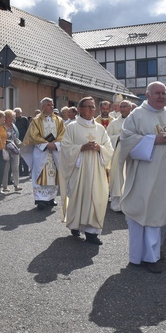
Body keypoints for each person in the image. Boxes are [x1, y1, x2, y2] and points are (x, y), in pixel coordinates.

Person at [118, 83, 166, 272]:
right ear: (147, 95)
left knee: (164, 213)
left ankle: (154, 251)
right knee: (149, 213)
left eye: (163, 93)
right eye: (156, 93)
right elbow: (126, 141)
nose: (160, 96)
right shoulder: (136, 116)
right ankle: (149, 257)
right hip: (146, 176)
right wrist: (154, 140)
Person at [59, 97, 114, 244]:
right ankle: (76, 225)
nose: (91, 110)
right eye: (88, 107)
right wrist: (81, 148)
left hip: (97, 169)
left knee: (97, 197)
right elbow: (65, 147)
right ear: (80, 109)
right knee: (79, 197)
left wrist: (99, 148)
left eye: (93, 107)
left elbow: (109, 148)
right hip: (79, 170)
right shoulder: (72, 127)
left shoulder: (100, 128)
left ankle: (92, 233)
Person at [22, 98, 65, 210]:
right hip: (41, 151)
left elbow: (63, 134)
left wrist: (55, 144)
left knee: (53, 174)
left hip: (54, 151)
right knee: (40, 173)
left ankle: (51, 198)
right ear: (43, 107)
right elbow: (33, 135)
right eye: (48, 105)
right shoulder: (36, 121)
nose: (51, 107)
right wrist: (46, 144)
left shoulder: (59, 120)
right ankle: (40, 199)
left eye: (52, 105)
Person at [108, 100, 134, 213]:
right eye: (121, 107)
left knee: (131, 177)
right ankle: (117, 205)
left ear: (130, 108)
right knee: (118, 178)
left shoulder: (135, 122)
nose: (123, 109)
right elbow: (107, 138)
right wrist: (118, 137)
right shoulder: (113, 123)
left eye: (125, 107)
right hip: (118, 155)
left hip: (132, 155)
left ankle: (131, 204)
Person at [2, 109, 22, 193]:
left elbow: (16, 136)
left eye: (13, 117)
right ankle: (5, 186)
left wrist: (19, 144)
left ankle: (16, 185)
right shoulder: (2, 126)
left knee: (15, 167)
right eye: (11, 117)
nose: (13, 119)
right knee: (6, 168)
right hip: (6, 149)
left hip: (14, 148)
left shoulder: (13, 126)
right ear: (6, 118)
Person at [14, 107, 30, 177]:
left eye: (18, 112)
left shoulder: (24, 119)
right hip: (16, 141)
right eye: (15, 112)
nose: (16, 114)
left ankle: (26, 171)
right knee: (18, 156)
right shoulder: (13, 120)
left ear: (21, 113)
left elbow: (28, 129)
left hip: (23, 140)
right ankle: (19, 172)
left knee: (24, 156)